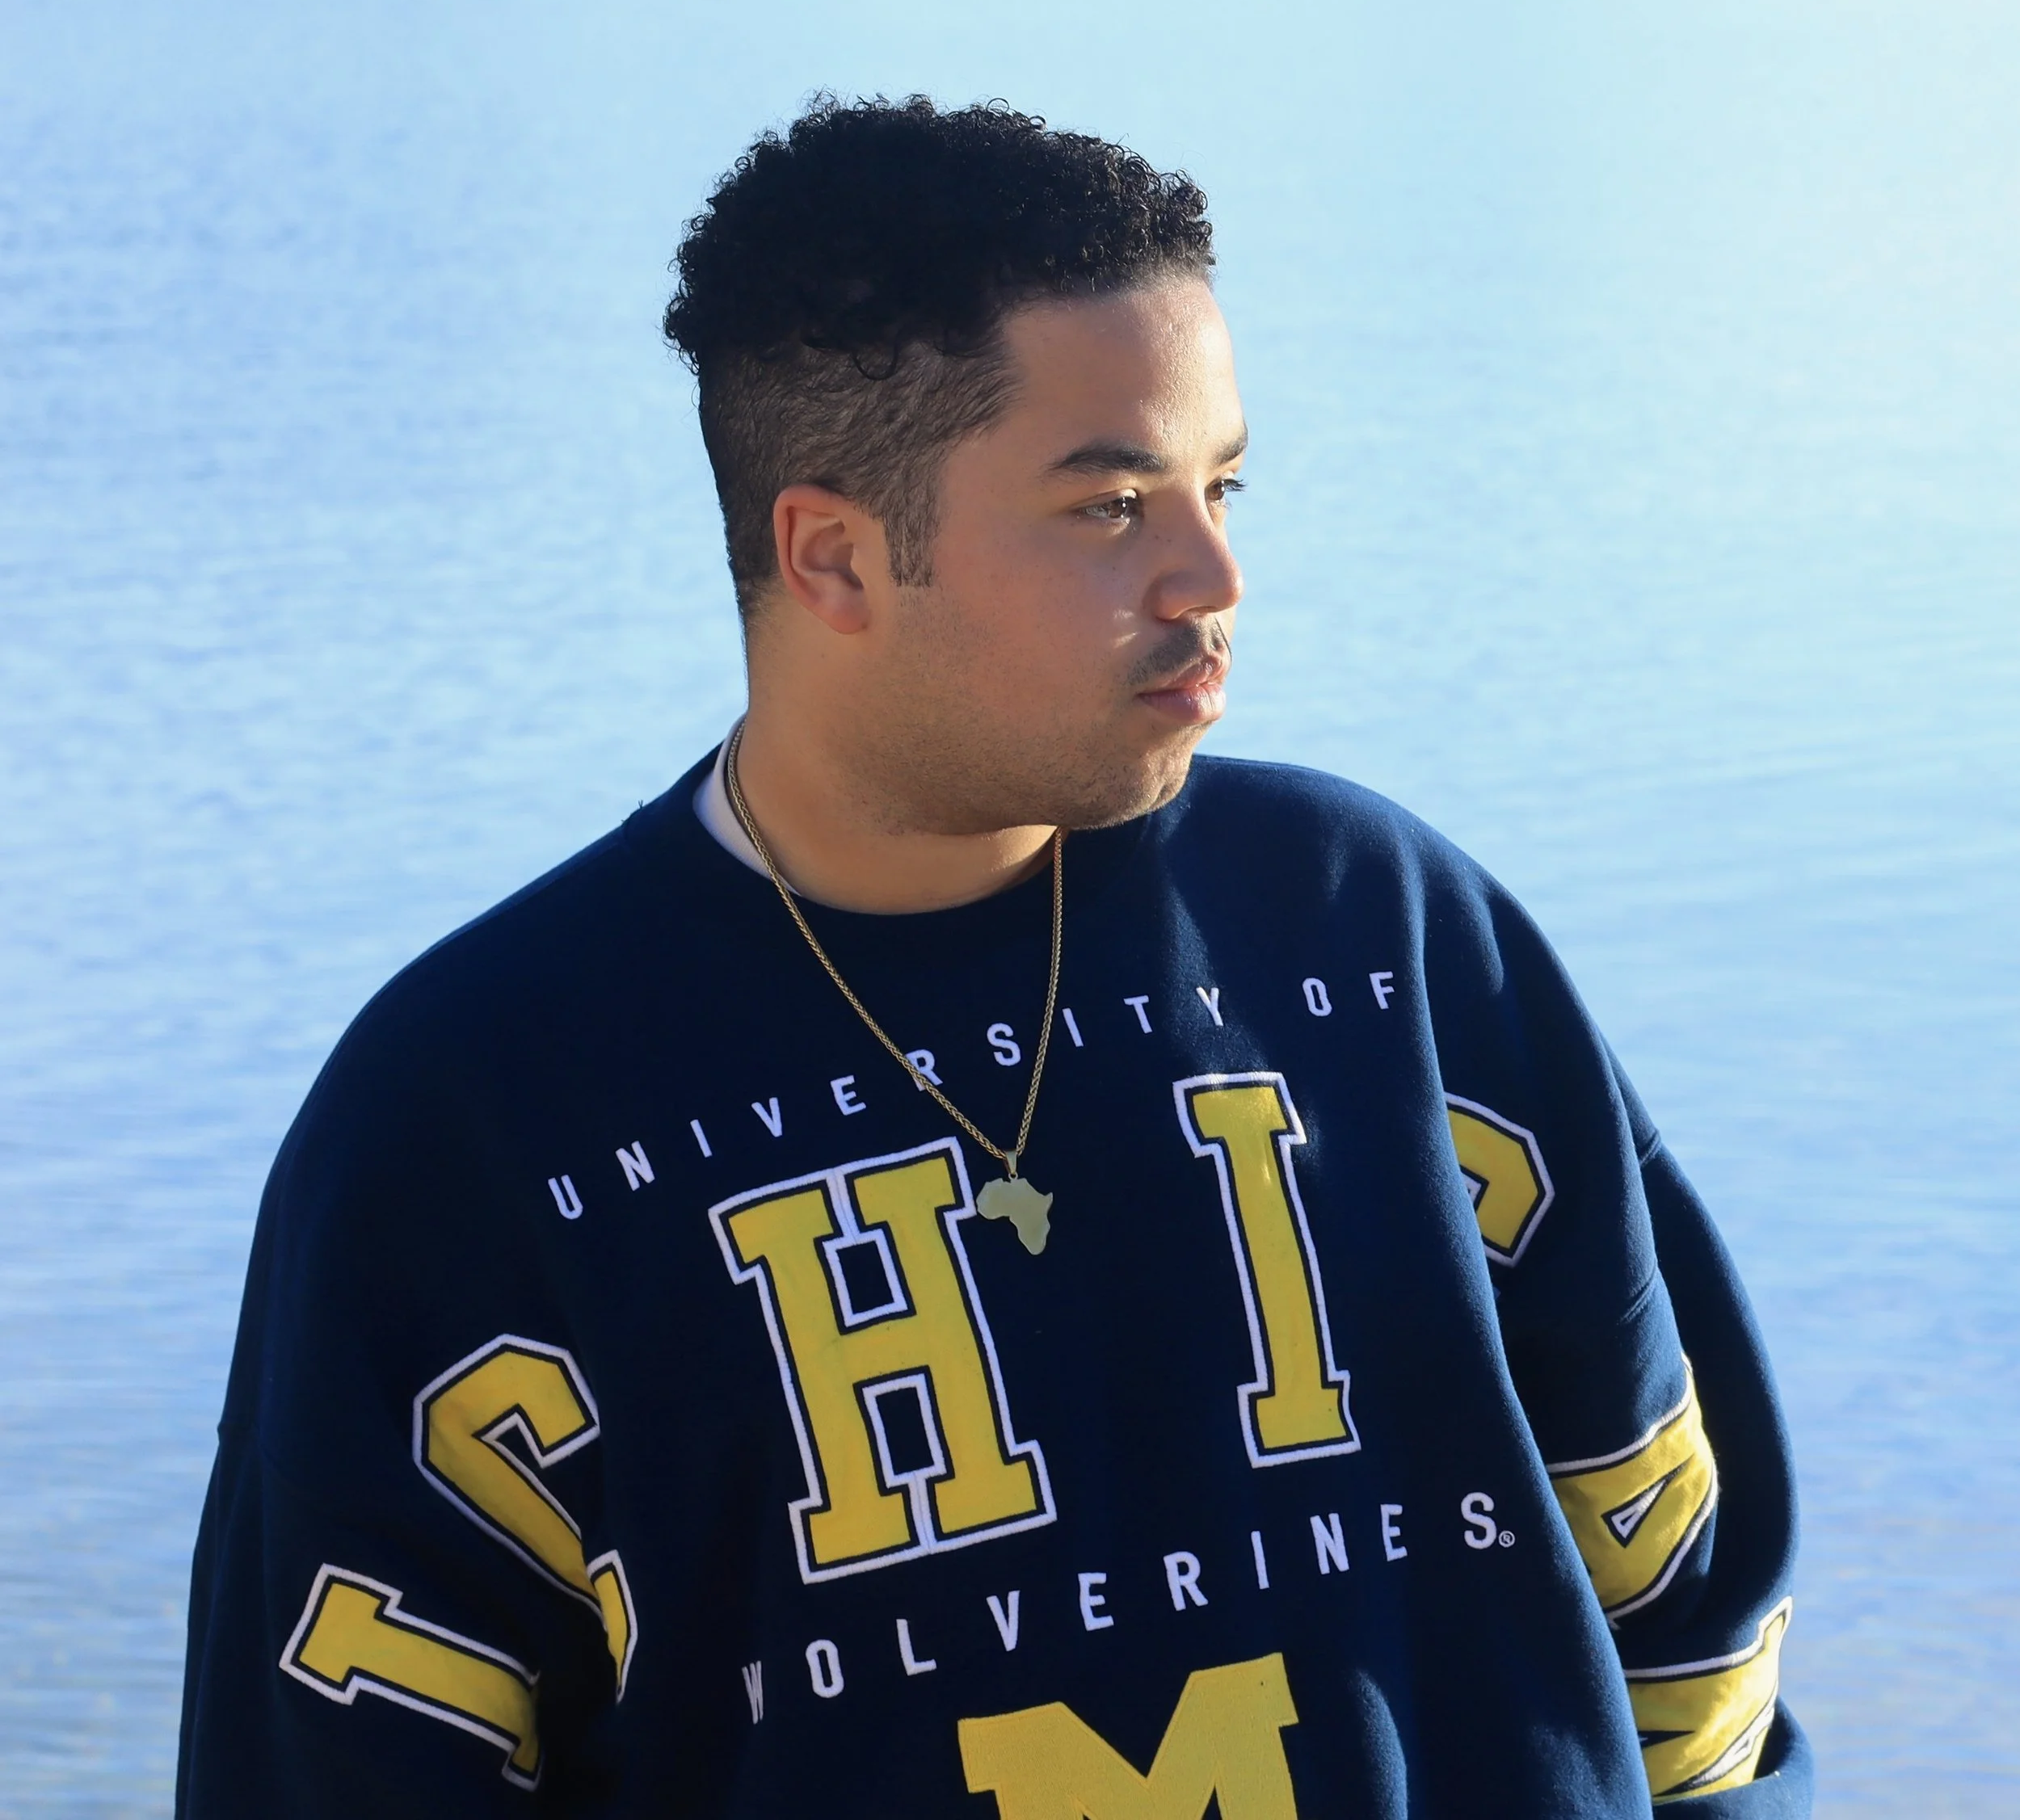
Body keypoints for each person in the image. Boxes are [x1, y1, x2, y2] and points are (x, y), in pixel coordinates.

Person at [177, 95, 1810, 1817]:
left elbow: (1682, 1609)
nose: (1212, 576)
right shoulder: (479, 1118)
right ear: (834, 557)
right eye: (1109, 507)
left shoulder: (1382, 942)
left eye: (1221, 484)